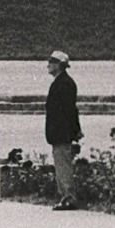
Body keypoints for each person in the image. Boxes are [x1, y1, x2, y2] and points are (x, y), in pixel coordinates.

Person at [44, 50, 82, 210]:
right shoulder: (61, 82)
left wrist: (74, 130)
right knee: (61, 164)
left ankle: (68, 198)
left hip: (61, 132)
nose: (48, 65)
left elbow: (69, 110)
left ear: (59, 65)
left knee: (63, 165)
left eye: (51, 62)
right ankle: (64, 196)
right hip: (58, 132)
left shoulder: (64, 84)